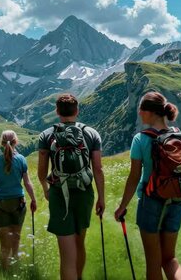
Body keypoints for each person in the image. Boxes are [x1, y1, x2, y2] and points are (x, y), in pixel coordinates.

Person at [114, 92, 181, 280]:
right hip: (177, 199)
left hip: (150, 201)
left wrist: (122, 207)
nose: (139, 113)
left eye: (141, 110)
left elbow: (134, 176)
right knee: (170, 259)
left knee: (153, 262)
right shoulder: (179, 136)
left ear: (150, 112)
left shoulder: (141, 139)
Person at [37, 93, 105, 280]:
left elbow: (42, 171)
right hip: (85, 193)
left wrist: (46, 189)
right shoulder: (91, 133)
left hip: (59, 193)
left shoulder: (47, 135)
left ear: (57, 111)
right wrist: (101, 197)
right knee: (79, 242)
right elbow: (97, 169)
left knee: (66, 254)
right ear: (77, 111)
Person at [0, 130, 37, 270]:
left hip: (0, 203)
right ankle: (16, 270)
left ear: (2, 143)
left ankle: (5, 272)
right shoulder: (21, 159)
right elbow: (27, 183)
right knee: (16, 240)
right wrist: (33, 199)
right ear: (16, 142)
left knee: (4, 245)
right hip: (18, 202)